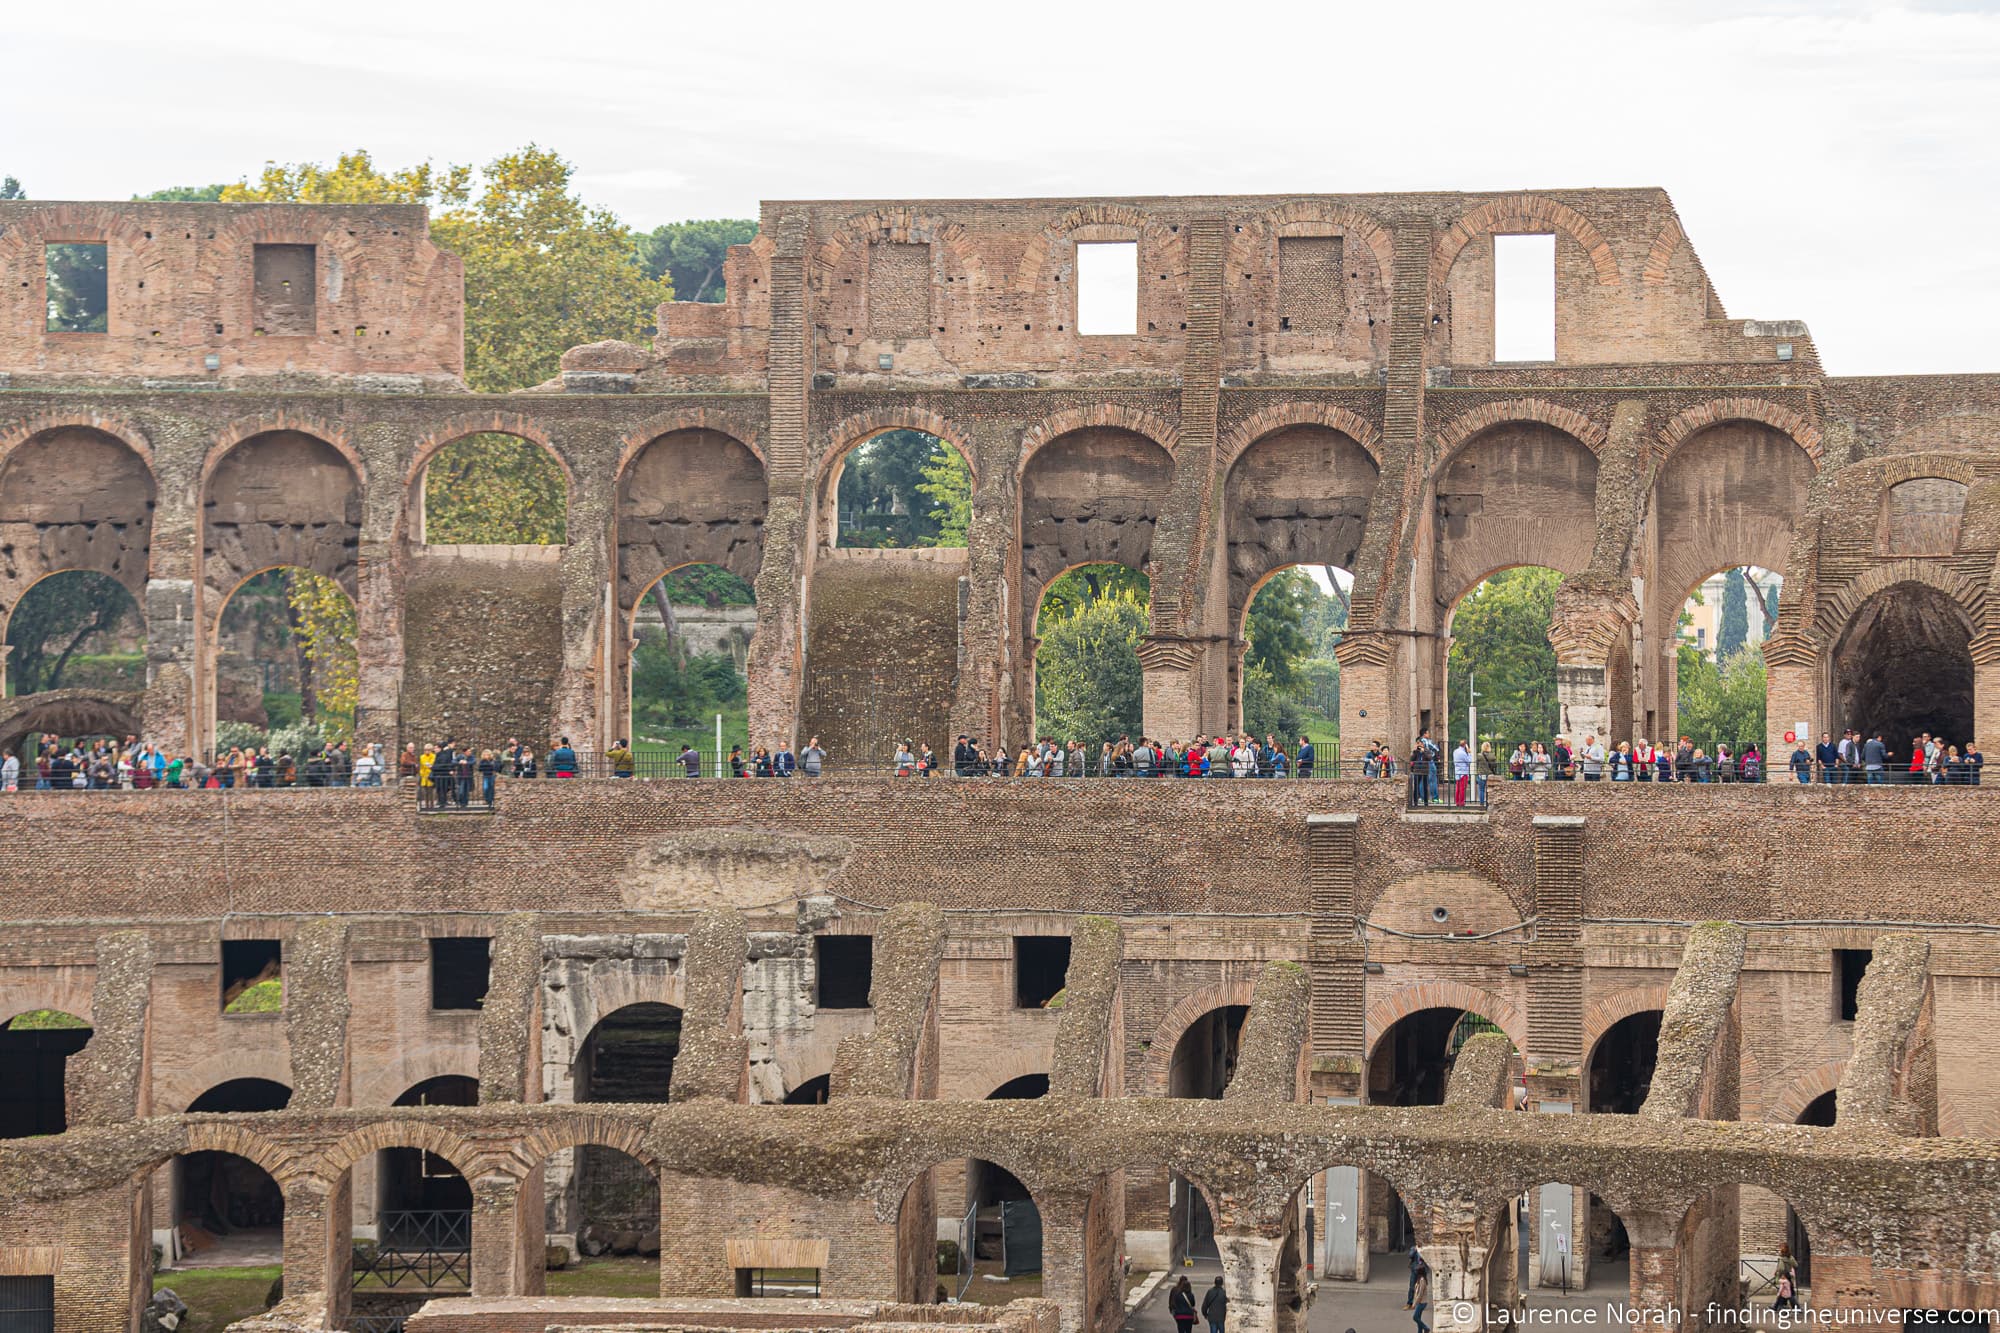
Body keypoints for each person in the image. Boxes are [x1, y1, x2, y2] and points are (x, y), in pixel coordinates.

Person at [1411, 1259, 1431, 1333]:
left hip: (1422, 1302)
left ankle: (1426, 1328)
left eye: (1417, 1271)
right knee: (1418, 1317)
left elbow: (1420, 1294)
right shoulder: (1419, 1279)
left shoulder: (1422, 1280)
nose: (1416, 1272)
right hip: (1420, 1302)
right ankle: (1420, 1331)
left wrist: (1414, 1304)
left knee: (1415, 1317)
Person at [1452, 738, 1472, 806]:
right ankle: (1462, 802)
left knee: (1458, 788)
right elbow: (1469, 761)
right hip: (1464, 772)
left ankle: (1457, 801)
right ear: (1465, 745)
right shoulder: (1463, 753)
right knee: (1462, 788)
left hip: (1457, 772)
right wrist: (1469, 753)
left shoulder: (1455, 751)